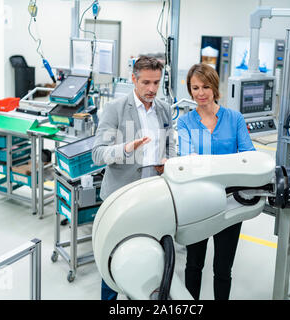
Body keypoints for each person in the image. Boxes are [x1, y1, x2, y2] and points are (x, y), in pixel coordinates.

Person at [92, 56, 176, 300]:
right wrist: (126, 148)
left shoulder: (164, 109)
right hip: (121, 199)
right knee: (113, 258)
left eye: (156, 83)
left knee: (152, 257)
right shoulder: (115, 110)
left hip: (153, 198)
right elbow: (97, 154)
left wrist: (168, 163)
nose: (152, 89)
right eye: (146, 82)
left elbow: (170, 145)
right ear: (134, 79)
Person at [177, 63, 255, 300]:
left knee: (223, 269)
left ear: (214, 87)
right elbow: (187, 160)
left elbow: (249, 155)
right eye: (195, 88)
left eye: (205, 87)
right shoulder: (185, 122)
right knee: (193, 264)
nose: (200, 93)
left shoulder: (234, 118)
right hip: (197, 203)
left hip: (230, 202)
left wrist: (206, 163)